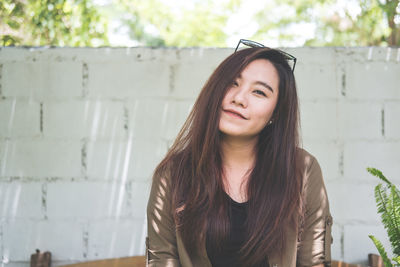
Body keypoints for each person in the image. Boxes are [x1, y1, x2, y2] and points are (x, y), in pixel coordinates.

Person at [146, 39, 332, 267]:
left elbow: (314, 262)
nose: (239, 99)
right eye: (232, 83)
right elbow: (161, 259)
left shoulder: (302, 169)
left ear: (276, 112)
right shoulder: (173, 174)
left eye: (259, 92)